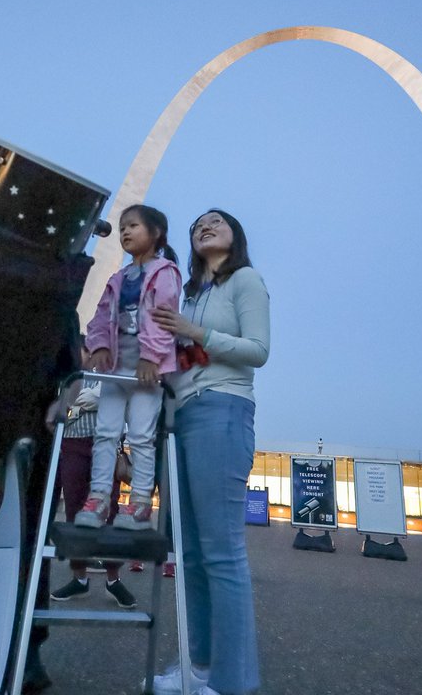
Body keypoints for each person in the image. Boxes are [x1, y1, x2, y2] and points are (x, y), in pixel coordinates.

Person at [149, 209, 270, 695]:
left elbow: (258, 350)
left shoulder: (246, 280)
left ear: (235, 235)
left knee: (222, 554)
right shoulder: (190, 295)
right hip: (182, 417)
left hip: (223, 408)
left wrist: (195, 332)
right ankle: (197, 664)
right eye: (198, 223)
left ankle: (232, 682)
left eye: (216, 221)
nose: (205, 226)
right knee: (192, 555)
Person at [78, 204, 181, 530]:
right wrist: (100, 346)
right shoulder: (117, 278)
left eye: (133, 226)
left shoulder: (165, 273)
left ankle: (139, 505)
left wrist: (152, 356)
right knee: (105, 434)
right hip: (115, 370)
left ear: (156, 234)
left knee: (141, 436)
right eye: (123, 227)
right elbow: (98, 318)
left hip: (145, 374)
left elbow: (164, 319)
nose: (124, 232)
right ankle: (97, 500)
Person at [47, 364, 137, 609]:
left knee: (110, 514)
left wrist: (93, 398)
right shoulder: (74, 375)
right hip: (73, 443)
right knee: (75, 511)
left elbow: (127, 396)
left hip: (107, 444)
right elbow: (64, 404)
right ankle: (79, 578)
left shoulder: (118, 367)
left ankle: (113, 579)